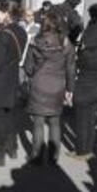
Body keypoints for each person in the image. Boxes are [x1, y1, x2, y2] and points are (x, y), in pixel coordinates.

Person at [24, 12, 75, 165]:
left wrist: (34, 74)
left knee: (38, 122)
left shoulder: (35, 41)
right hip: (58, 86)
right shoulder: (66, 43)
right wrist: (70, 89)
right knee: (55, 122)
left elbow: (28, 68)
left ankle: (37, 156)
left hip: (39, 84)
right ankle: (53, 157)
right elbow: (71, 69)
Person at [0, 1, 27, 166]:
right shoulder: (21, 31)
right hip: (12, 78)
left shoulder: (3, 34)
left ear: (7, 14)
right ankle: (12, 149)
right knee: (9, 117)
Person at [70, 4, 97, 160]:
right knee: (91, 121)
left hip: (84, 88)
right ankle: (88, 150)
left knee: (81, 122)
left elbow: (78, 65)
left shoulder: (86, 54)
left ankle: (81, 151)